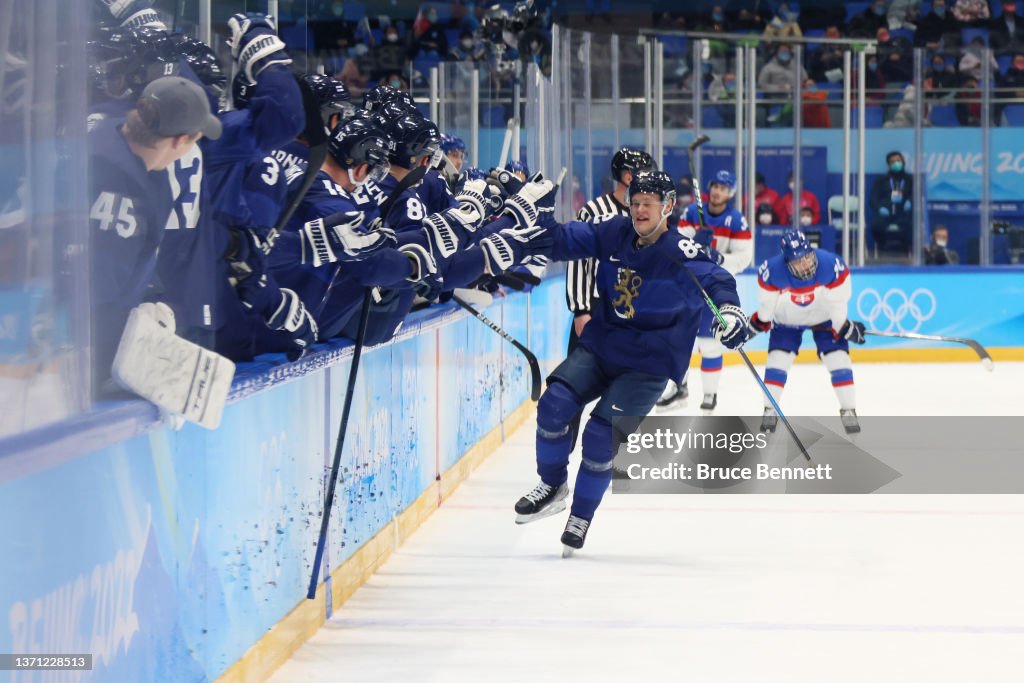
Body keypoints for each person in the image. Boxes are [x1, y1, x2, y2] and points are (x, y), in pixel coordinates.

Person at [513, 171, 747, 553]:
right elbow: (564, 241)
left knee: (600, 437)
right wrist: (527, 223)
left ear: (667, 207)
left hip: (650, 363)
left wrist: (731, 314)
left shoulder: (681, 252)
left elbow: (719, 281)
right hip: (604, 344)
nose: (638, 209)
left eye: (647, 204)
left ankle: (581, 515)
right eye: (635, 201)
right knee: (554, 404)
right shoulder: (615, 232)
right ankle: (552, 485)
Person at [88, 75, 220, 388]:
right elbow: (94, 296)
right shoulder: (115, 189)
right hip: (76, 357)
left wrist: (149, 298)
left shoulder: (128, 150)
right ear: (179, 141)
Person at [748, 229, 866, 435]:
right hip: (788, 317)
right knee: (778, 359)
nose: (806, 264)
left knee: (838, 358)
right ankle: (770, 409)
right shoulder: (772, 271)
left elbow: (838, 304)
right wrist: (758, 323)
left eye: (807, 257)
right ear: (786, 262)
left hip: (823, 314)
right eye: (798, 261)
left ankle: (849, 409)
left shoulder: (832, 265)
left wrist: (844, 326)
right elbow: (767, 309)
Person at [657, 169, 752, 413]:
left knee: (710, 345)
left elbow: (744, 259)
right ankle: (680, 388)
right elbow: (677, 244)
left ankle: (710, 396)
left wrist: (718, 257)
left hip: (714, 288)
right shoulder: (691, 212)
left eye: (723, 187)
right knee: (680, 341)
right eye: (715, 186)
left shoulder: (737, 220)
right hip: (687, 285)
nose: (717, 191)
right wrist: (696, 243)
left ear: (730, 193)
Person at [565, 148, 654, 357]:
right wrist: (581, 310)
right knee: (580, 382)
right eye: (646, 174)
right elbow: (578, 260)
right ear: (628, 177)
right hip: (596, 309)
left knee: (622, 383)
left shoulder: (648, 215)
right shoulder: (594, 211)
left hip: (632, 310)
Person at [869, 150, 914, 254]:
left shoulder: (910, 179)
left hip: (903, 212)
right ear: (888, 165)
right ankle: (882, 248)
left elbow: (915, 195)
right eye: (892, 162)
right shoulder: (882, 180)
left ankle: (905, 250)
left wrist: (910, 201)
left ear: (903, 162)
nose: (896, 164)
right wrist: (879, 208)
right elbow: (873, 198)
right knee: (876, 225)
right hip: (886, 211)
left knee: (909, 225)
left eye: (898, 160)